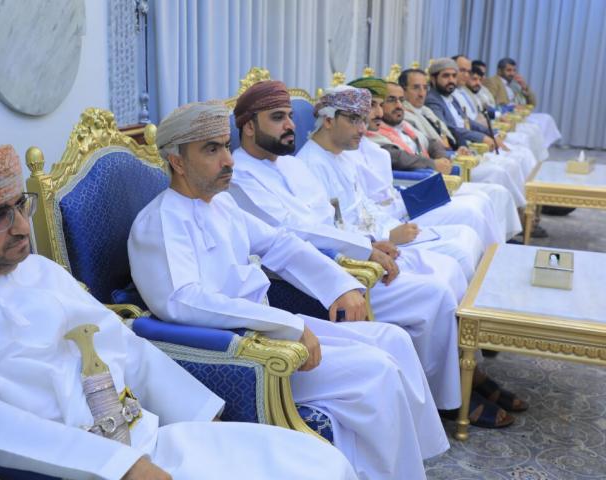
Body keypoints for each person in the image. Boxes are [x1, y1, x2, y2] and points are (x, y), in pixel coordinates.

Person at [0, 145, 360, 480]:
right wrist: (117, 466)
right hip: (80, 469)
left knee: (319, 464)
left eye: (20, 206)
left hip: (153, 442)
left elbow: (127, 347)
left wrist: (200, 415)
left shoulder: (43, 272)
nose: (21, 228)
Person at [128, 100, 451, 479]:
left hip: (271, 328)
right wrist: (288, 327)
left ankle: (415, 464)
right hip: (246, 351)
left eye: (225, 146)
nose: (228, 160)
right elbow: (183, 302)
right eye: (211, 150)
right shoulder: (159, 222)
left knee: (392, 339)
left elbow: (279, 243)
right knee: (377, 373)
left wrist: (339, 286)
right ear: (177, 162)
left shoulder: (222, 205)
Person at [228, 80, 464, 414]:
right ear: (249, 127)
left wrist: (369, 244)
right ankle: (447, 400)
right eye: (278, 118)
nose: (291, 125)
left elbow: (327, 218)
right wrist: (363, 250)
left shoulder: (290, 163)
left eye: (290, 116)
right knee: (434, 295)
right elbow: (293, 232)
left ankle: (452, 381)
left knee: (443, 276)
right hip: (319, 275)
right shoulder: (240, 176)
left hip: (348, 254)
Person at [297, 85, 483, 280]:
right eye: (354, 120)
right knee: (457, 257)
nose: (362, 129)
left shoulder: (343, 156)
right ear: (328, 120)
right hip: (360, 260)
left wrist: (391, 228)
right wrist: (386, 236)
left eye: (363, 120)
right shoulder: (309, 166)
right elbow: (329, 232)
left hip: (381, 233)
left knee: (465, 236)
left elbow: (364, 204)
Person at [359, 79, 507, 245]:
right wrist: (433, 165)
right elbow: (399, 159)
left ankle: (498, 253)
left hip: (403, 202)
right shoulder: (370, 142)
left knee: (481, 201)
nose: (379, 112)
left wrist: (444, 158)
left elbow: (432, 142)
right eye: (390, 100)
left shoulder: (401, 127)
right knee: (472, 213)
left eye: (400, 100)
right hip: (397, 208)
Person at [396, 69, 523, 240]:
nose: (422, 93)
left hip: (444, 165)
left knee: (493, 192)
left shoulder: (421, 112)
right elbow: (402, 157)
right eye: (416, 88)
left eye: (424, 88)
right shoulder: (398, 121)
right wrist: (438, 162)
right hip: (423, 182)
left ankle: (505, 237)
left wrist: (449, 154)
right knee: (484, 198)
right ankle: (500, 242)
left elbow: (434, 142)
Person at [424, 57, 531, 210]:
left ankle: (523, 208)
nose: (451, 80)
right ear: (433, 79)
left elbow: (467, 121)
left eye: (453, 76)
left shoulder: (450, 97)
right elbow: (449, 128)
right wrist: (482, 138)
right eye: (446, 76)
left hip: (469, 149)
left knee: (515, 159)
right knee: (500, 172)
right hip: (459, 154)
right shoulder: (432, 100)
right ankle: (521, 209)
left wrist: (492, 134)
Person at [483, 57, 562, 147]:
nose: (512, 73)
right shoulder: (492, 81)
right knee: (534, 130)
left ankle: (543, 147)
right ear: (499, 71)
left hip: (519, 116)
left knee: (546, 118)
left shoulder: (514, 83)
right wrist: (511, 107)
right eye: (509, 70)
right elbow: (490, 104)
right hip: (506, 117)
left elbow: (533, 103)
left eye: (514, 70)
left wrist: (524, 87)